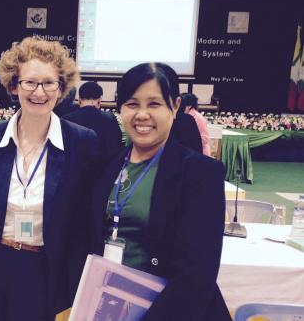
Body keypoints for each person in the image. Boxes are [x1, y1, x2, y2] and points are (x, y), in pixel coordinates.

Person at [90, 62, 230, 321]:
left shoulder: (201, 174)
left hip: (174, 312)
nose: (142, 115)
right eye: (132, 104)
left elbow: (196, 276)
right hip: (112, 307)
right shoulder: (107, 167)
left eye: (154, 104)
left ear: (175, 107)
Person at [0, 37, 99, 320]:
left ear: (61, 87)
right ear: (14, 85)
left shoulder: (81, 142)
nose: (39, 92)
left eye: (48, 83)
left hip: (48, 268)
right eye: (30, 82)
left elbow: (83, 219)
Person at [63, 81, 123, 159]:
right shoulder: (111, 119)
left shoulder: (66, 119)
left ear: (79, 99)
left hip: (73, 169)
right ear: (100, 99)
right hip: (102, 169)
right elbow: (115, 149)